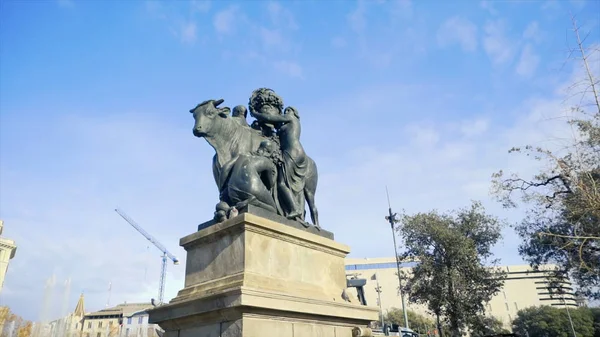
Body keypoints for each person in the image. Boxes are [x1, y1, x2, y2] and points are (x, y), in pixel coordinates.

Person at [250, 104, 308, 221]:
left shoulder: (291, 118)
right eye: (286, 110)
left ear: (294, 113)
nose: (286, 111)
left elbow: (271, 118)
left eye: (290, 110)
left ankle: (294, 209)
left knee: (282, 183)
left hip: (291, 151)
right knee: (288, 182)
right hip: (298, 152)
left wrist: (256, 114)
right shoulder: (290, 125)